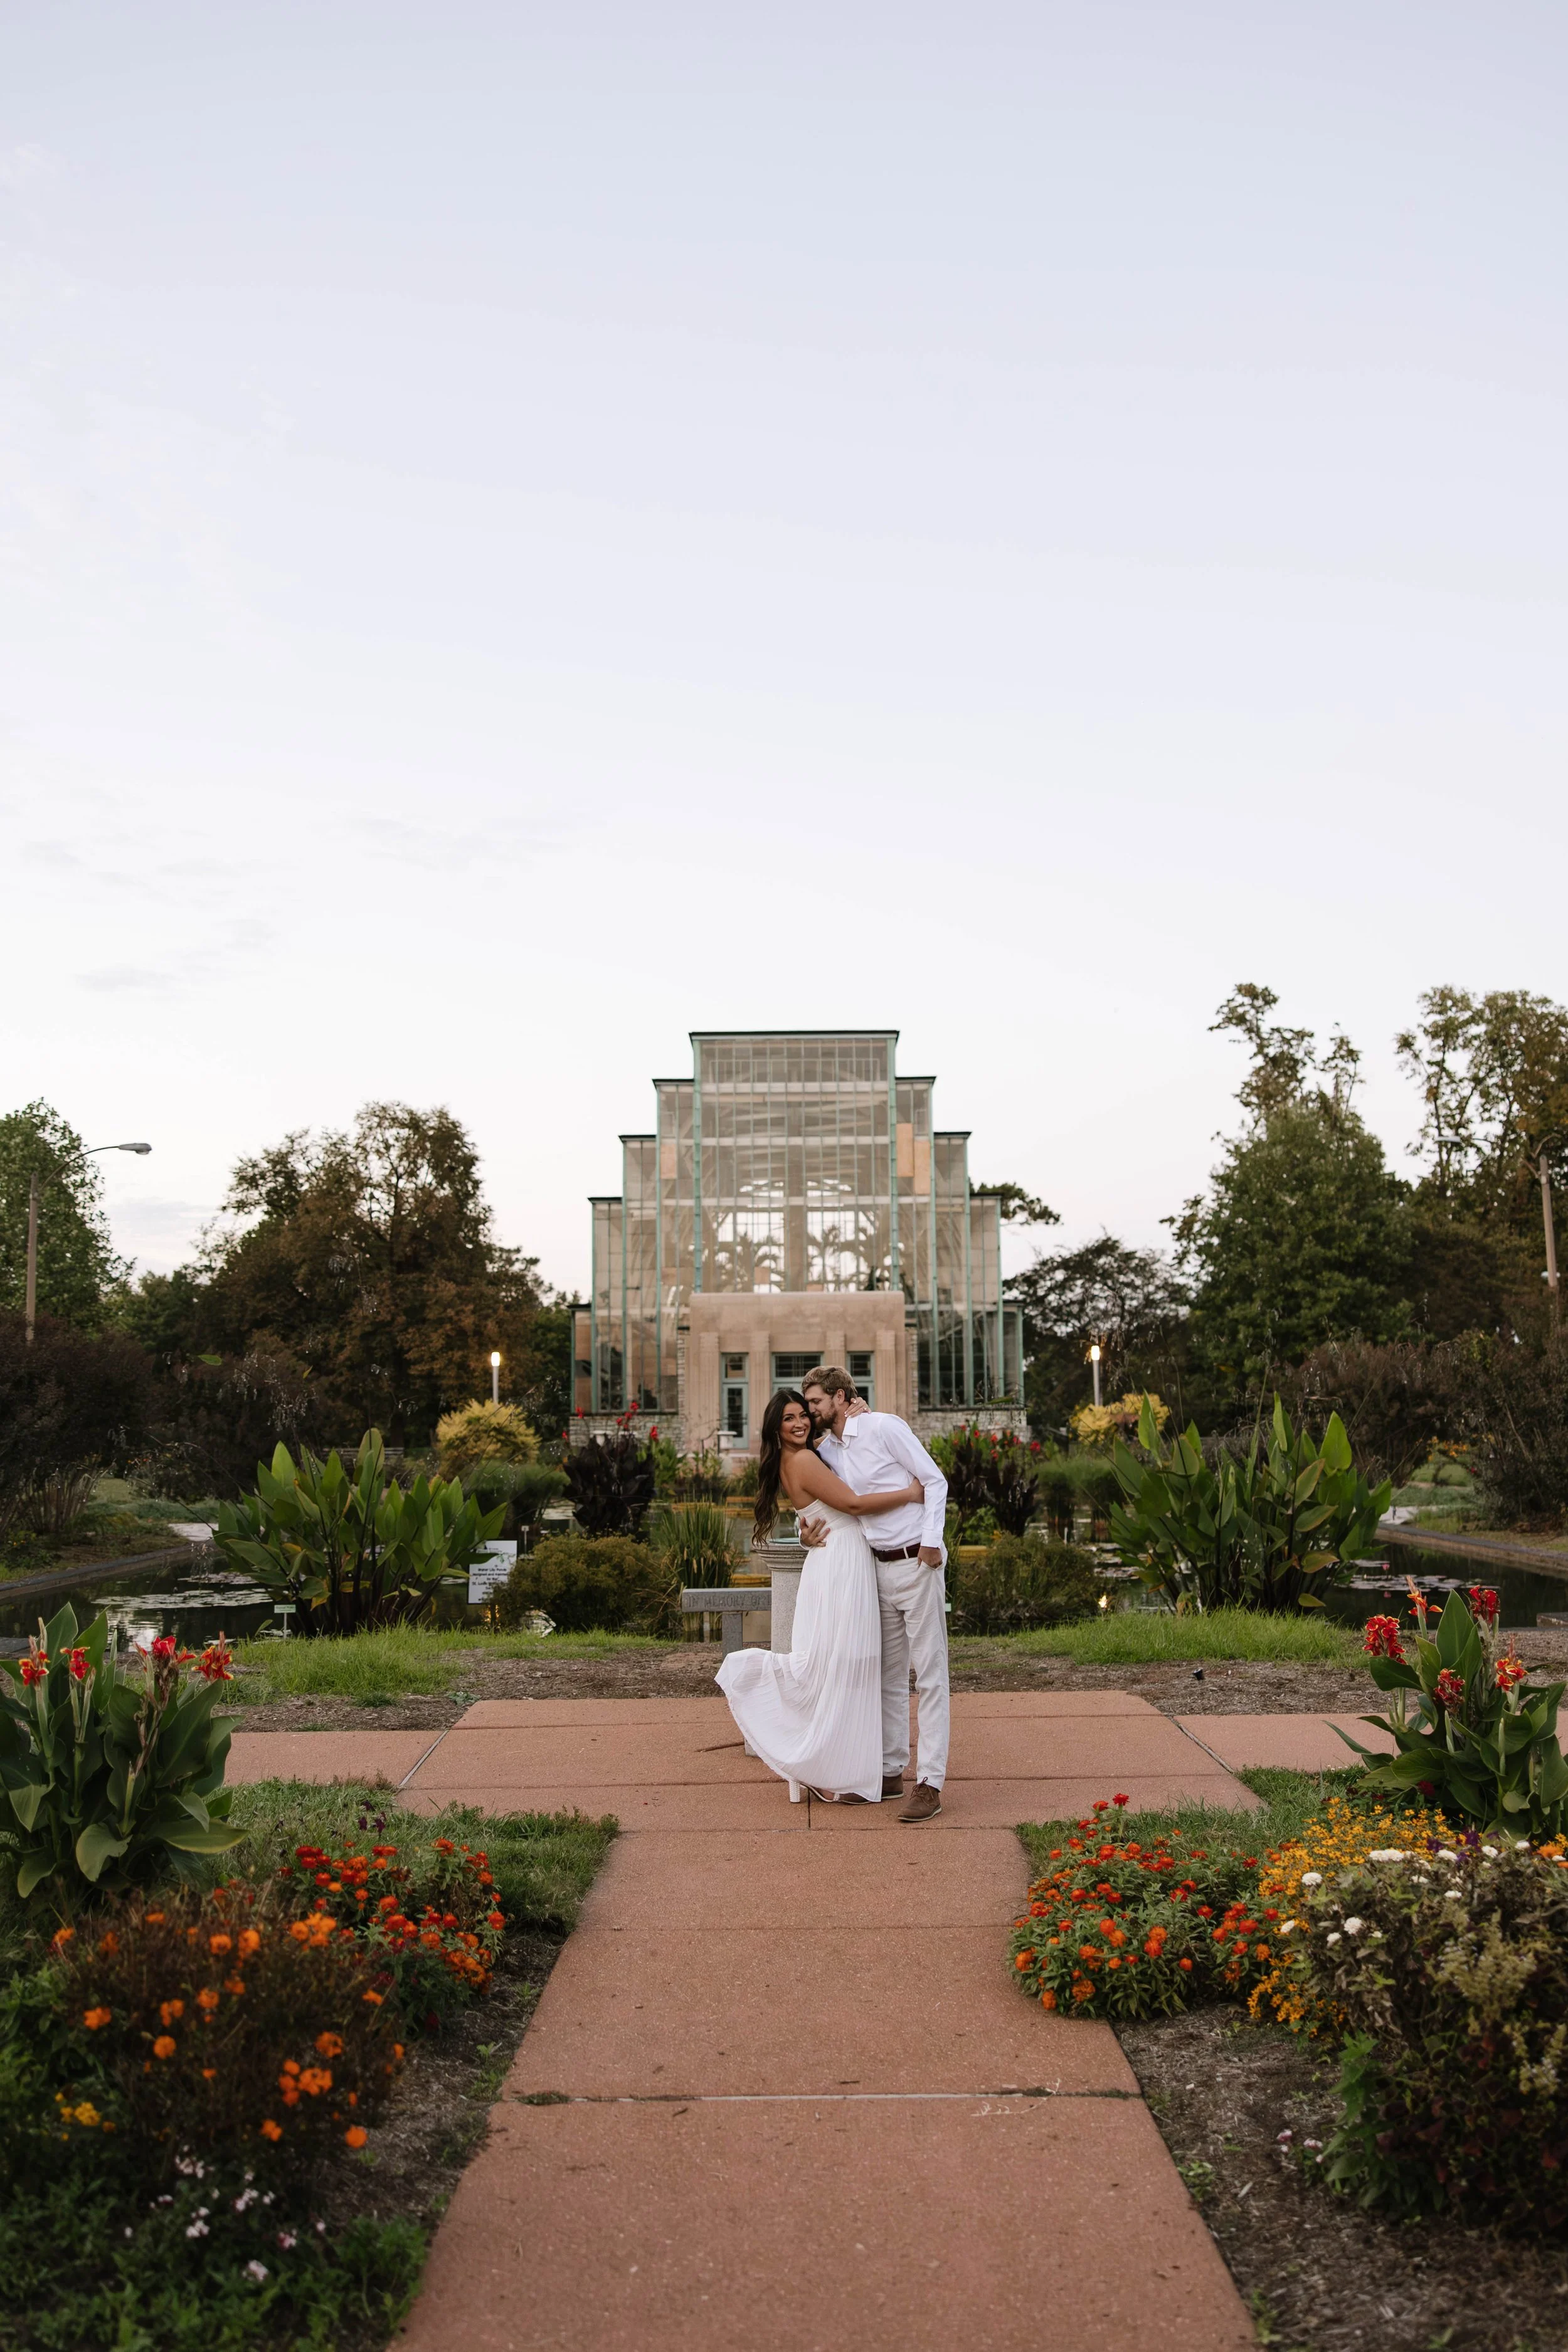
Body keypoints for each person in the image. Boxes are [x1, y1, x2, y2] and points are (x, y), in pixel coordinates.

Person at [714, 1389, 926, 1804]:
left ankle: (834, 1765)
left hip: (829, 1560)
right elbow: (853, 1503)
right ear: (776, 1427)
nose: (800, 1423)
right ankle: (826, 1764)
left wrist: (858, 1414)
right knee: (847, 1662)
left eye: (803, 1415)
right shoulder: (804, 1460)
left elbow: (826, 1499)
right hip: (842, 1562)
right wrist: (910, 1494)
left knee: (837, 1663)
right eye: (789, 1418)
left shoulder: (796, 1459)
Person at [800, 1367, 950, 1823]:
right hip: (875, 1570)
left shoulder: (885, 1427)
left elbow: (935, 1481)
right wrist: (803, 1534)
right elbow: (821, 1502)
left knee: (929, 1675)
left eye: (816, 1403)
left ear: (841, 1397)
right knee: (885, 1675)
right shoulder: (830, 1449)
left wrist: (932, 1541)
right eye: (807, 1405)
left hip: (916, 1563)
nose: (811, 1412)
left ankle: (931, 1783)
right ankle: (890, 1771)